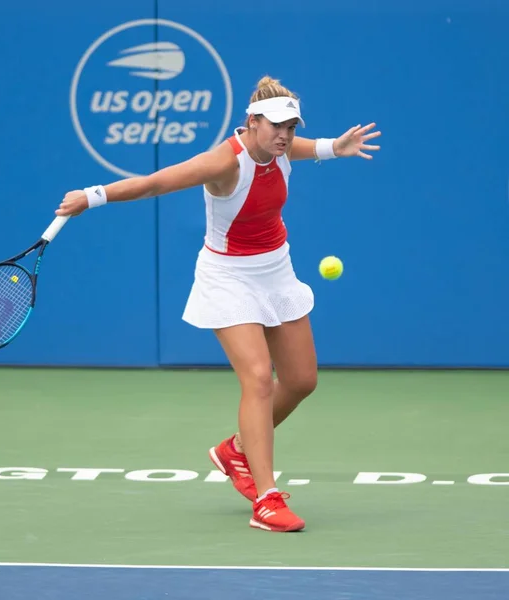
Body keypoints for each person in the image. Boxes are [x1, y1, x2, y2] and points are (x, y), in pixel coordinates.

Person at [56, 76, 381, 533]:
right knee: (259, 379)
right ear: (252, 123)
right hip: (228, 277)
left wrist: (334, 146)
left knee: (302, 380)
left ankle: (235, 451)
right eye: (276, 126)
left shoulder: (283, 147)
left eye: (291, 126)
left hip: (276, 270)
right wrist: (93, 197)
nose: (285, 135)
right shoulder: (223, 162)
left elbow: (307, 148)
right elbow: (155, 182)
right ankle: (266, 499)